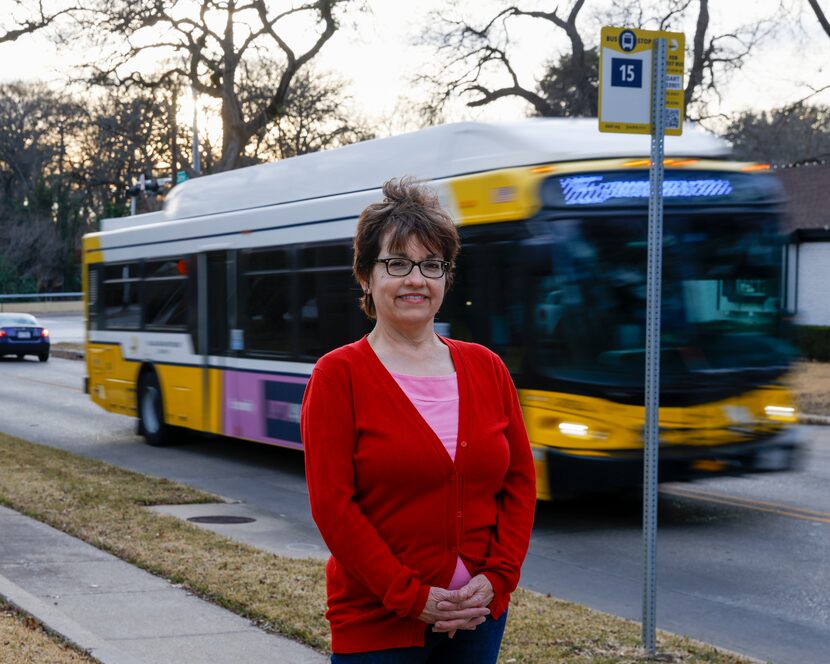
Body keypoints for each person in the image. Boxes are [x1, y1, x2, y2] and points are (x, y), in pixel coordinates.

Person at [301, 177, 536, 663]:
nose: (416, 280)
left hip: (478, 617)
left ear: (446, 278)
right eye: (397, 263)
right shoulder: (337, 375)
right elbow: (334, 508)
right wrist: (412, 598)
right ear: (365, 276)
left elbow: (518, 484)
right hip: (376, 621)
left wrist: (497, 580)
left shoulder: (487, 368)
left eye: (432, 265)